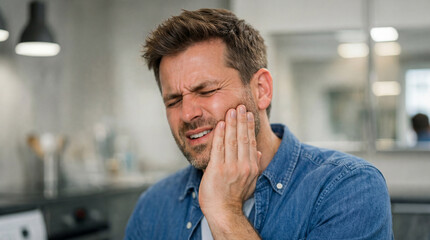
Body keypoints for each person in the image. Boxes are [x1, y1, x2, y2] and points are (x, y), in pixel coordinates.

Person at [125, 8, 393, 239]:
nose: (186, 114)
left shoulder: (348, 187)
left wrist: (225, 211)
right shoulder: (153, 207)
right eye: (173, 101)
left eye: (205, 91)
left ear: (261, 90)